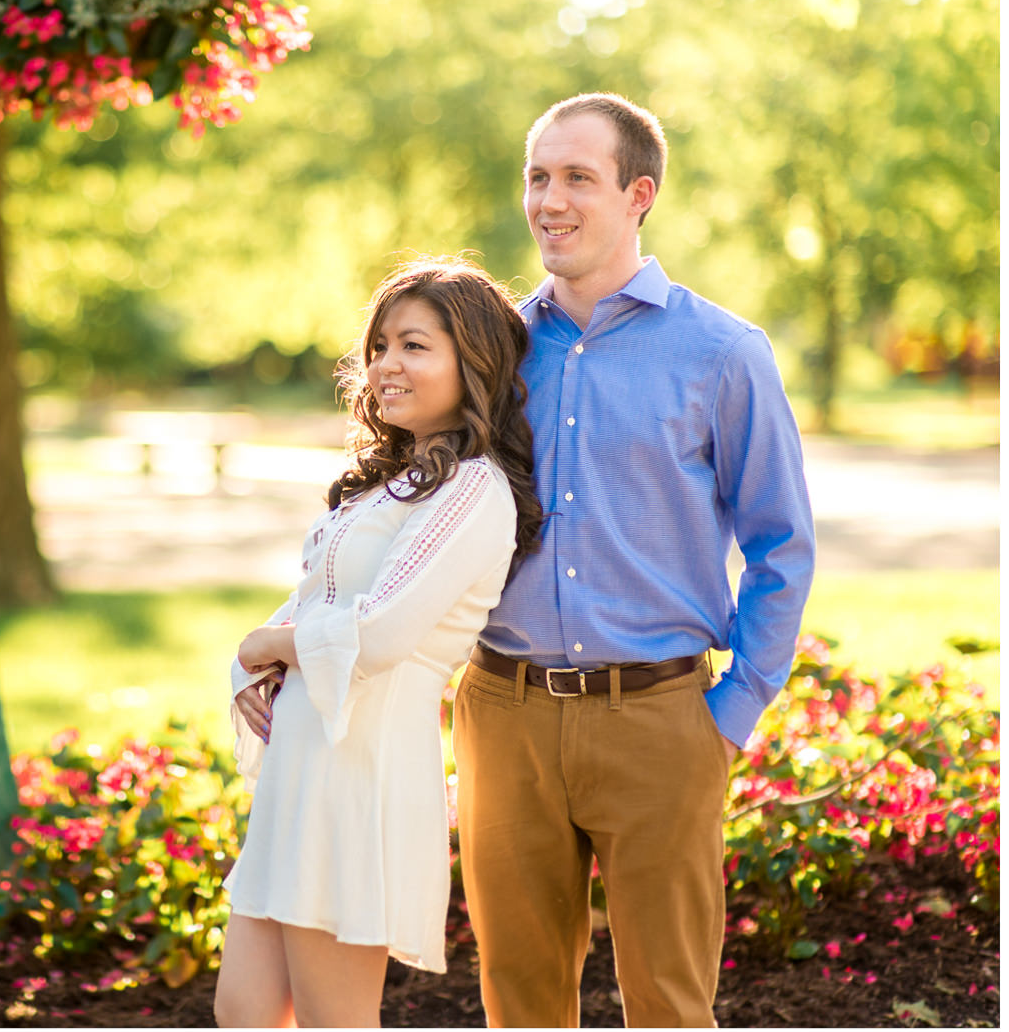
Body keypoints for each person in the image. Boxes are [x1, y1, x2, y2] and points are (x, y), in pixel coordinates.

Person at [458, 92, 813, 1029]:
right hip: (503, 714)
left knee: (669, 1004)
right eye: (537, 177)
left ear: (638, 194)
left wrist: (731, 714)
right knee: (521, 1004)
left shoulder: (723, 352)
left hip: (662, 720)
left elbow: (782, 542)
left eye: (578, 177)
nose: (550, 200)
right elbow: (410, 499)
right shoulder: (491, 347)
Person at [213, 260, 543, 1028]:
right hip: (304, 770)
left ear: (474, 364)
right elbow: (310, 606)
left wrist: (271, 642)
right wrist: (255, 657)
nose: (386, 365)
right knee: (245, 1013)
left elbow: (383, 631)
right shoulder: (387, 486)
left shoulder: (473, 489)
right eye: (381, 345)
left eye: (415, 346)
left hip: (360, 776)